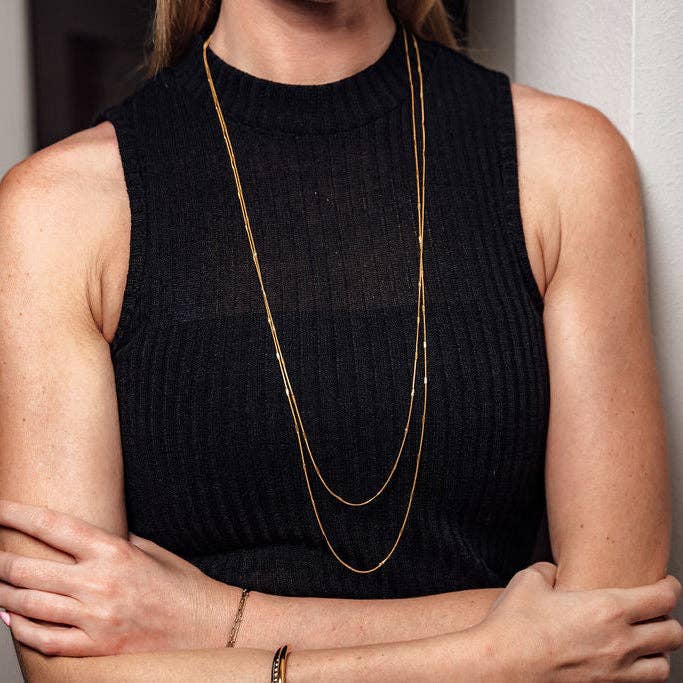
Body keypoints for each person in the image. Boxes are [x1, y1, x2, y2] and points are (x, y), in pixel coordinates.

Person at [0, 0, 681, 680]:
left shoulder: (564, 162)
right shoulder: (58, 210)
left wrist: (215, 618)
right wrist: (501, 657)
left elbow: (613, 627)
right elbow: (68, 673)